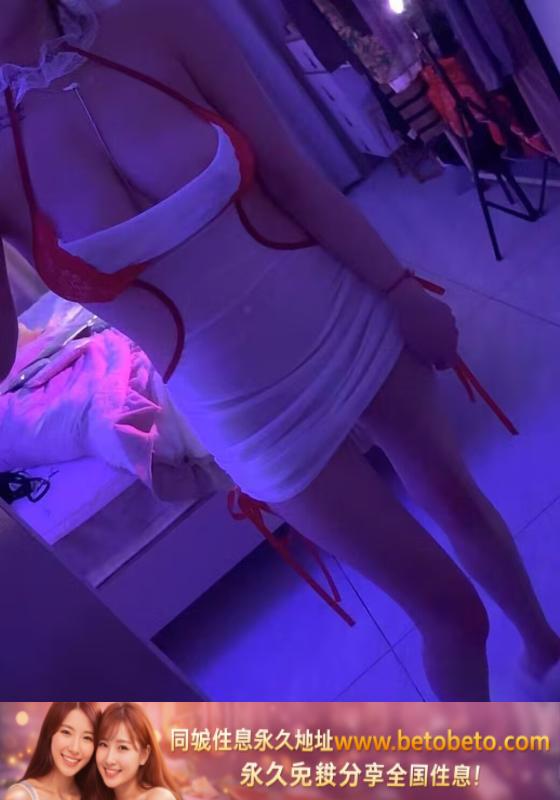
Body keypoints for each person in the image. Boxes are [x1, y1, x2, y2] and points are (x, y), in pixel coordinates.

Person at [0, 0, 558, 700]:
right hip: (247, 413)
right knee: (451, 615)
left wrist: (399, 289)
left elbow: (294, 175)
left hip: (345, 315)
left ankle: (543, 644)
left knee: (458, 499)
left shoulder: (157, 19)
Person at [6, 703, 100, 800]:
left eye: (87, 738)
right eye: (66, 732)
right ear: (50, 733)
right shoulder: (22, 796)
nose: (74, 748)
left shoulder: (93, 795)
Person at [94, 703, 180, 800]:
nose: (109, 759)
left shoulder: (158, 797)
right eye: (103, 744)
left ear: (144, 755)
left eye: (123, 747)